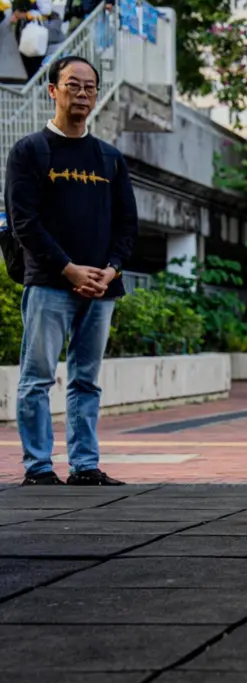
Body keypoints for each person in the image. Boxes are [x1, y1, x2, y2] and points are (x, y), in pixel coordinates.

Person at [4, 55, 138, 486]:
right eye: (73, 85)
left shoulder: (110, 158)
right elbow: (24, 221)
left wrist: (111, 270)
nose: (82, 94)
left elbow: (127, 226)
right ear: (53, 90)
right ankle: (39, 467)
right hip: (49, 284)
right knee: (36, 378)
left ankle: (84, 465)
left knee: (86, 381)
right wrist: (68, 270)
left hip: (102, 290)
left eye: (89, 87)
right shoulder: (30, 151)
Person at [6, 0, 53, 80]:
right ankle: (32, 86)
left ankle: (38, 86)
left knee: (36, 60)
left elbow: (47, 11)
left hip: (34, 31)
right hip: (21, 30)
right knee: (26, 60)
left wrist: (27, 15)